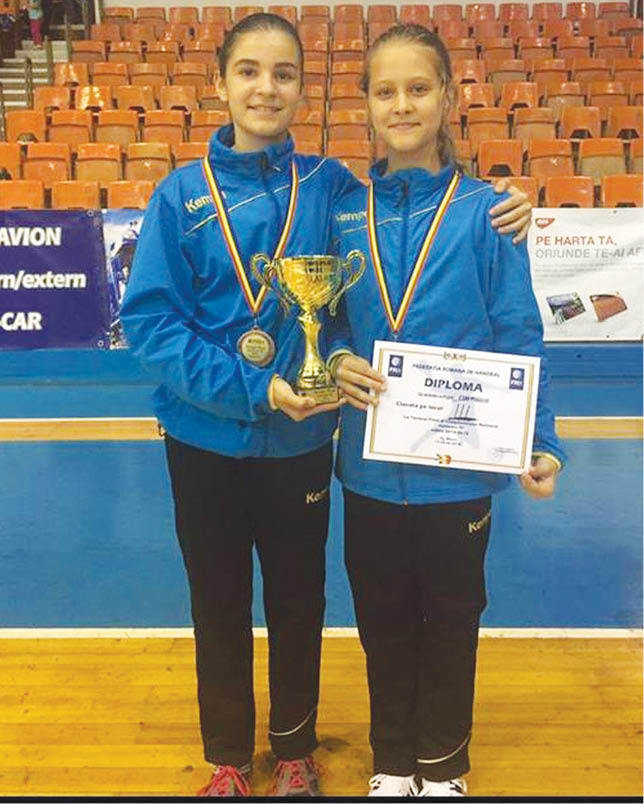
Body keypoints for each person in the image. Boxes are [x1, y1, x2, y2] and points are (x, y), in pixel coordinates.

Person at [120, 13, 534, 799]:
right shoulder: (179, 196)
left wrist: (509, 202)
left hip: (301, 442)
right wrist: (254, 387)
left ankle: (296, 751)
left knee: (298, 601)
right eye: (248, 71)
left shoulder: (334, 189)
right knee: (216, 600)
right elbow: (149, 323)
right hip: (204, 436)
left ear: (305, 89)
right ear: (220, 82)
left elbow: (410, 202)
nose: (265, 88)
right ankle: (228, 758)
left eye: (284, 74)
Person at [329, 23, 566, 798]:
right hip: (368, 467)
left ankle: (443, 766)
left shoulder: (486, 213)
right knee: (381, 619)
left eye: (418, 88)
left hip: (460, 471)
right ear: (366, 104)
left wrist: (541, 439)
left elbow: (518, 331)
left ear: (448, 97)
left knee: (454, 618)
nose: (402, 104)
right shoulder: (344, 212)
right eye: (385, 91)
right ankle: (392, 762)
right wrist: (336, 359)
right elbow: (327, 323)